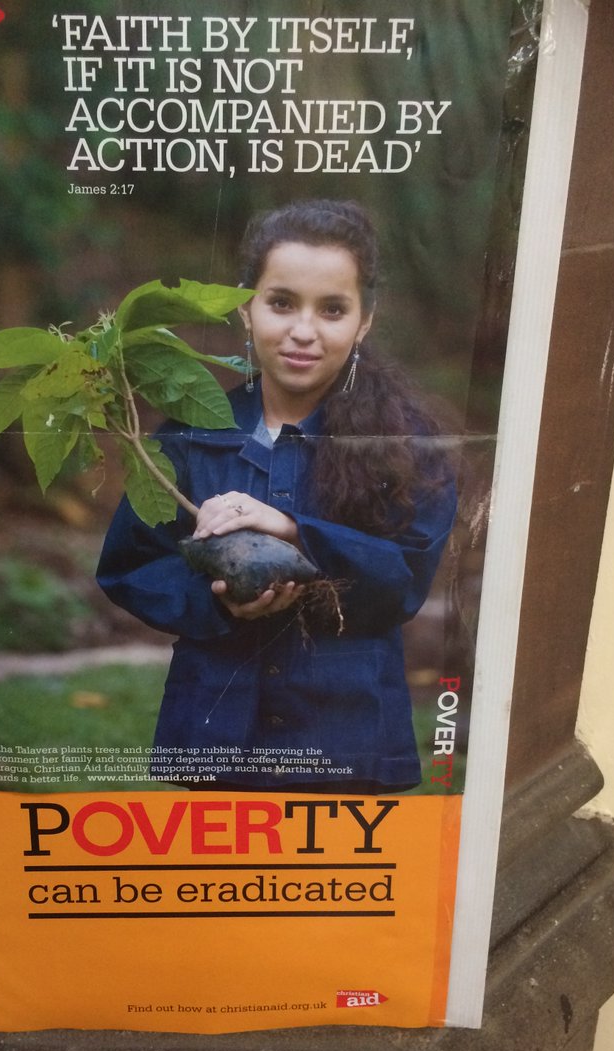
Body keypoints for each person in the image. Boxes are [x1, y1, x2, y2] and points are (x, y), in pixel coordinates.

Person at [96, 198, 457, 793]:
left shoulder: (406, 445)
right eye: (282, 302)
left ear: (365, 320)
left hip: (344, 740)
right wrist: (217, 600)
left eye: (333, 309)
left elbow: (403, 579)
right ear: (247, 306)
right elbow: (130, 566)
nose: (303, 331)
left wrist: (293, 529)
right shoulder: (189, 434)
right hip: (218, 734)